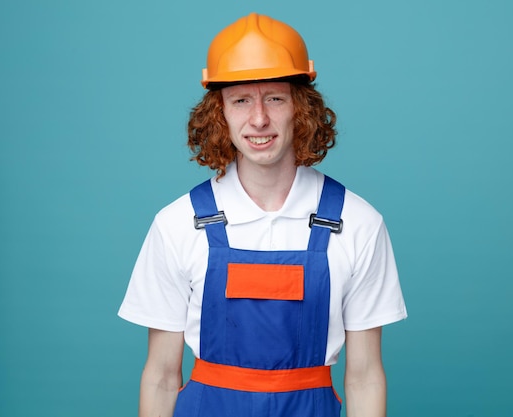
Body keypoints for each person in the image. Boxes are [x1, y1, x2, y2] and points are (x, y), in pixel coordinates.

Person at [119, 12, 407, 417]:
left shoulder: (357, 223)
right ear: (219, 113)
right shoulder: (178, 224)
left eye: (274, 97)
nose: (258, 119)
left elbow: (364, 378)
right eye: (240, 100)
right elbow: (162, 376)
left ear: (300, 108)